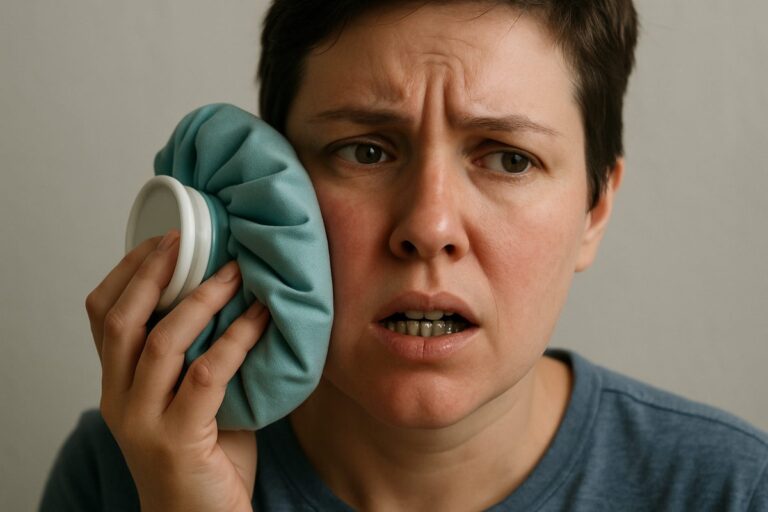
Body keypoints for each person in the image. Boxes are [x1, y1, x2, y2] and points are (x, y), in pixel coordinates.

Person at [40, 1, 768, 511]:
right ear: (267, 191)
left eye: (509, 158)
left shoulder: (736, 491)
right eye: (365, 151)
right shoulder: (127, 469)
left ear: (594, 210)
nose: (429, 226)